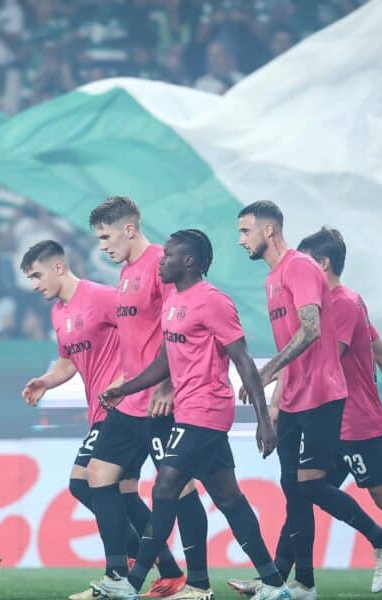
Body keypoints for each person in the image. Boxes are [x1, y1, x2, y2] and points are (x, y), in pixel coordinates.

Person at [231, 228, 382, 600]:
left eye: (302, 263)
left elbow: (314, 359)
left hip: (353, 422)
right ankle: (281, 580)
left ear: (322, 264)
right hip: (331, 419)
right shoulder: (333, 303)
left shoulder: (343, 303)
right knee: (301, 489)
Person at [101, 230, 291, 600]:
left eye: (168, 255)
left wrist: (264, 421)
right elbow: (163, 362)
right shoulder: (174, 301)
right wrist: (125, 389)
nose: (161, 260)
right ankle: (272, 583)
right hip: (188, 410)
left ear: (188, 261)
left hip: (207, 410)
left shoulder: (213, 302)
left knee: (165, 487)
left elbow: (244, 361)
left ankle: (132, 582)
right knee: (228, 497)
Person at [17, 239, 181, 600]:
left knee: (83, 482)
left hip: (124, 407)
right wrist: (45, 381)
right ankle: (167, 570)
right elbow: (67, 361)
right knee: (122, 492)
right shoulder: (58, 312)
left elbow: (144, 336)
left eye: (37, 275)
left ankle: (120, 573)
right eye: (30, 278)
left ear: (58, 267)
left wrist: (131, 382)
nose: (34, 284)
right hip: (103, 409)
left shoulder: (103, 297)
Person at [85, 196, 209, 599]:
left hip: (161, 403)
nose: (102, 246)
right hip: (130, 400)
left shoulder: (161, 264)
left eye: (106, 236)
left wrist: (169, 384)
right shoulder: (125, 273)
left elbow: (182, 326)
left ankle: (197, 582)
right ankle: (116, 576)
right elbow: (138, 340)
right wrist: (121, 383)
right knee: (97, 477)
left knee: (182, 489)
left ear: (129, 229)